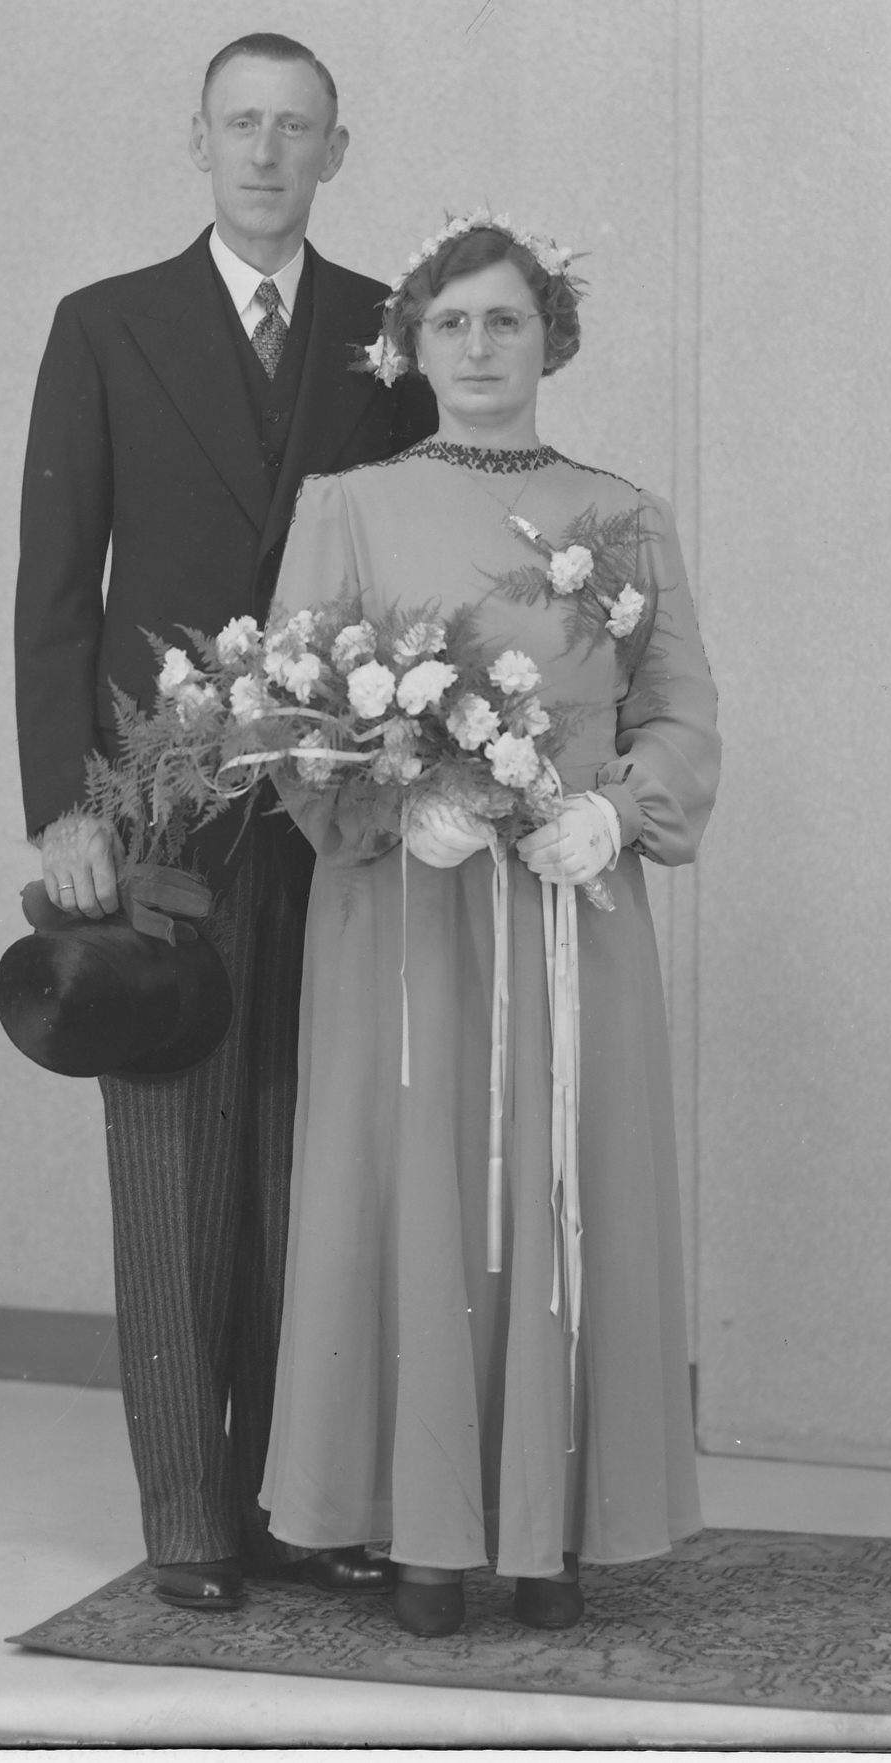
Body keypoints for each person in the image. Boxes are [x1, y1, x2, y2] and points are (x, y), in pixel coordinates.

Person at [13, 34, 436, 1611]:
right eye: (241, 124)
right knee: (175, 1162)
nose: (266, 152)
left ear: (338, 150)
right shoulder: (105, 324)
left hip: (335, 810)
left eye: (296, 128)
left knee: (309, 1164)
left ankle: (293, 1504)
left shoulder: (389, 337)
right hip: (161, 808)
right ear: (197, 139)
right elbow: (56, 593)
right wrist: (65, 807)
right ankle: (190, 1515)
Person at [258, 214, 721, 1637]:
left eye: (505, 320)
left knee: (564, 1187)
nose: (477, 347)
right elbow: (290, 719)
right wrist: (393, 809)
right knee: (413, 1184)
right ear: (412, 344)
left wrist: (619, 813)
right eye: (450, 322)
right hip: (407, 909)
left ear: (550, 339)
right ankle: (424, 1534)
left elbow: (679, 710)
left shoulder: (623, 514)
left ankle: (544, 1535)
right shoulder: (348, 504)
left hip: (572, 905)